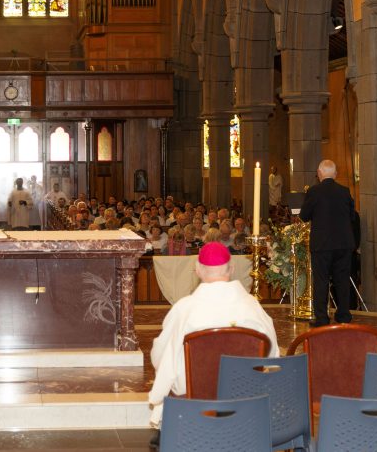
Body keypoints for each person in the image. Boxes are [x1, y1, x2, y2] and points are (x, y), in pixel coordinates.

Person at [148, 242, 279, 428]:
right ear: (232, 268)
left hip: (193, 396)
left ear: (197, 270)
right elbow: (272, 353)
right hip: (245, 395)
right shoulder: (253, 306)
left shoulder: (184, 309)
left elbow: (162, 356)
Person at [300, 159, 357, 326]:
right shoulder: (345, 191)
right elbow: (352, 216)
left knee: (321, 281)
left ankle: (322, 318)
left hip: (322, 245)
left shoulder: (314, 191)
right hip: (344, 244)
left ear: (319, 174)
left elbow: (304, 216)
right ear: (335, 174)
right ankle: (343, 315)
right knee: (342, 280)